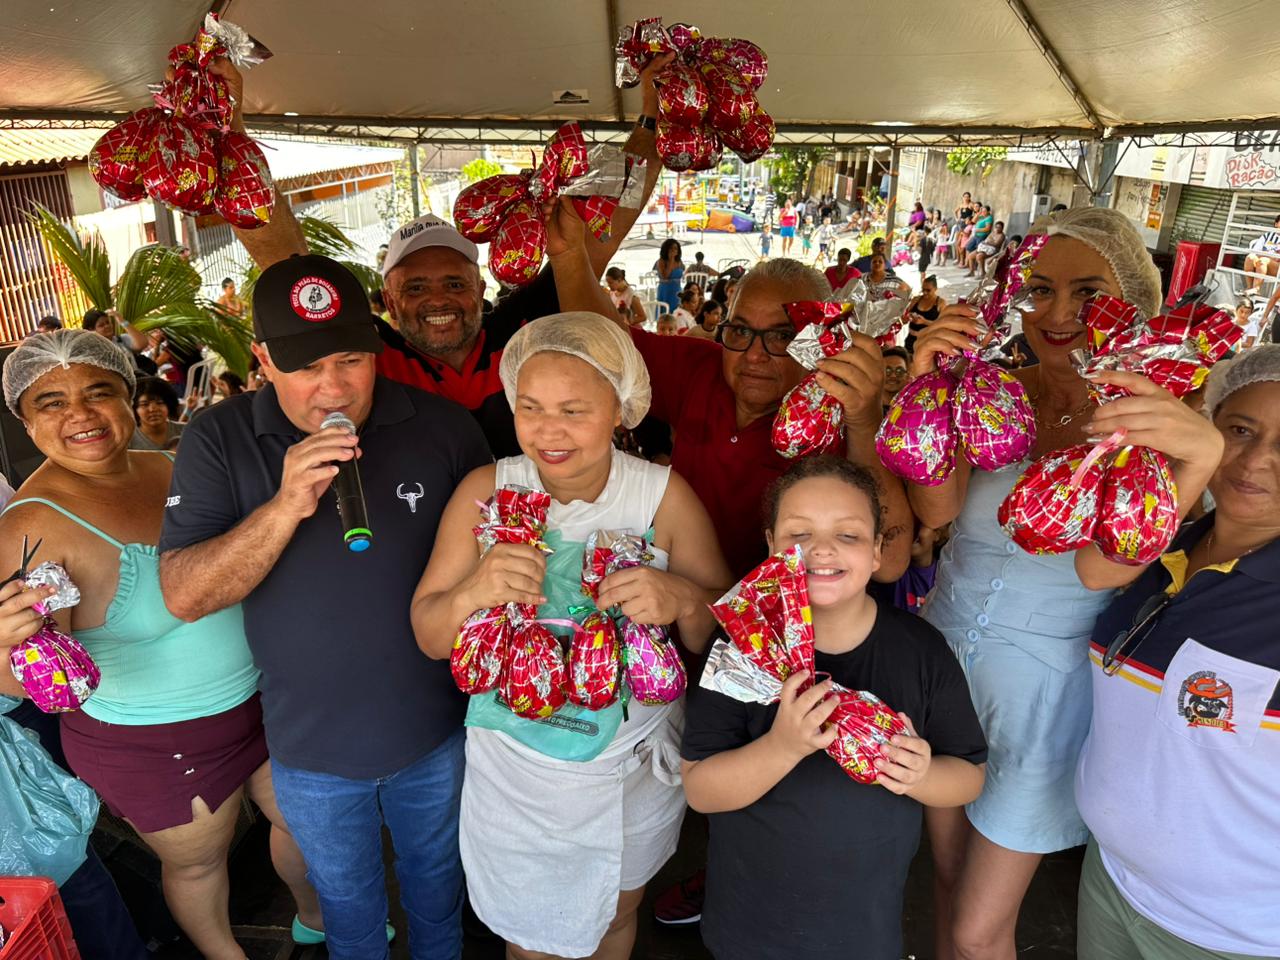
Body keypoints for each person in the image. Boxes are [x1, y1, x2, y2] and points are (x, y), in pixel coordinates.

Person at [911, 206, 1228, 960]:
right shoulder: (991, 390)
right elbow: (939, 509)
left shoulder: (1158, 421)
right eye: (1039, 289)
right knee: (946, 881)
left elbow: (1103, 567)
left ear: (1133, 306)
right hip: (939, 666)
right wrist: (930, 390)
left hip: (1048, 695)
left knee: (977, 926)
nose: (1059, 315)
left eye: (1087, 293)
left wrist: (1200, 460)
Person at [157, 254, 491, 957]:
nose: (332, 387)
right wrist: (285, 506)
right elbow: (186, 594)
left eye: (351, 360)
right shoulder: (219, 439)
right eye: (306, 366)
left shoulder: (447, 428)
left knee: (438, 890)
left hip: (437, 733)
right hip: (310, 751)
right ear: (263, 360)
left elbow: (486, 571)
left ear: (378, 349)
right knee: (348, 909)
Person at [411, 313, 732, 960]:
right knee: (529, 932)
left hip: (628, 770)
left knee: (617, 912)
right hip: (516, 773)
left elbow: (727, 639)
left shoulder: (661, 500)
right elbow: (428, 633)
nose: (548, 431)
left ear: (621, 408)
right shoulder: (486, 491)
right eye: (530, 408)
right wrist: (475, 591)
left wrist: (683, 598)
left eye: (573, 410)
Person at [0, 330, 319, 959]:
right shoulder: (28, 527)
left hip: (259, 700)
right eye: (52, 403)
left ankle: (315, 918)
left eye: (99, 392)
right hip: (155, 739)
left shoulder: (165, 464)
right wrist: (12, 643)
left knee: (306, 824)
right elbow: (23, 684)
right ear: (24, 420)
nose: (82, 415)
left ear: (130, 396)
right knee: (202, 865)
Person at [214, 52, 670, 460]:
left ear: (480, 288)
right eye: (415, 287)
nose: (439, 299)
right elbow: (288, 267)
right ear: (389, 302)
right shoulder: (368, 355)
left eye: (454, 283)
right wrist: (230, 129)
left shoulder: (522, 330)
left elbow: (604, 227)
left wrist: (652, 113)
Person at [681, 455, 987, 960]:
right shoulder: (740, 648)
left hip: (862, 935)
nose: (821, 549)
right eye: (798, 535)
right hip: (749, 930)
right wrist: (782, 746)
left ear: (877, 552)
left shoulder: (921, 652)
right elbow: (700, 790)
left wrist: (920, 775)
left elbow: (969, 774)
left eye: (848, 535)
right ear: (770, 548)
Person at [1075, 346, 1280, 960]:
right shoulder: (1160, 549)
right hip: (1113, 883)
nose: (1258, 460)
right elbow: (1093, 568)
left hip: (1233, 935)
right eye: (1239, 430)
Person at [625, 257, 914, 580]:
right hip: (671, 611)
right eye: (740, 329)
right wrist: (573, 255)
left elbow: (889, 563)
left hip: (780, 625)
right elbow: (599, 338)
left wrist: (863, 420)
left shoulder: (842, 418)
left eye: (782, 336)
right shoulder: (701, 367)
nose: (753, 354)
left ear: (822, 342)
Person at [129, 375, 185, 451]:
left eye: (159, 403)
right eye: (145, 404)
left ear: (169, 405)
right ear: (134, 408)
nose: (152, 409)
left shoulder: (185, 431)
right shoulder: (128, 439)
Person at [904, 275, 946, 354]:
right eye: (923, 290)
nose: (925, 293)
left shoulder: (940, 303)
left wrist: (925, 322)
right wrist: (909, 317)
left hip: (929, 340)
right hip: (911, 340)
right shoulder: (916, 299)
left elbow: (943, 325)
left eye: (928, 290)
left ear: (935, 289)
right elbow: (905, 315)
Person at [1241, 213, 1280, 292]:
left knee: (1263, 260)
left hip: (1277, 268)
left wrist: (1266, 257)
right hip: (1261, 262)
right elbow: (1255, 251)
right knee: (1250, 257)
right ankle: (1249, 288)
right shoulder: (1267, 236)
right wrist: (1269, 257)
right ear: (1276, 224)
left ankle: (1256, 289)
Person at [655, 238, 685, 314]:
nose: (674, 250)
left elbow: (682, 274)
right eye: (671, 248)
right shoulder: (661, 261)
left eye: (675, 248)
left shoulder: (679, 261)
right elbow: (665, 276)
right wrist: (671, 259)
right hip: (665, 290)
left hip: (676, 290)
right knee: (665, 311)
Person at [882, 345, 910, 411]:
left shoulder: (914, 409)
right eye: (887, 370)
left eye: (899, 371)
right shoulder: (864, 407)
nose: (893, 376)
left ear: (907, 376)